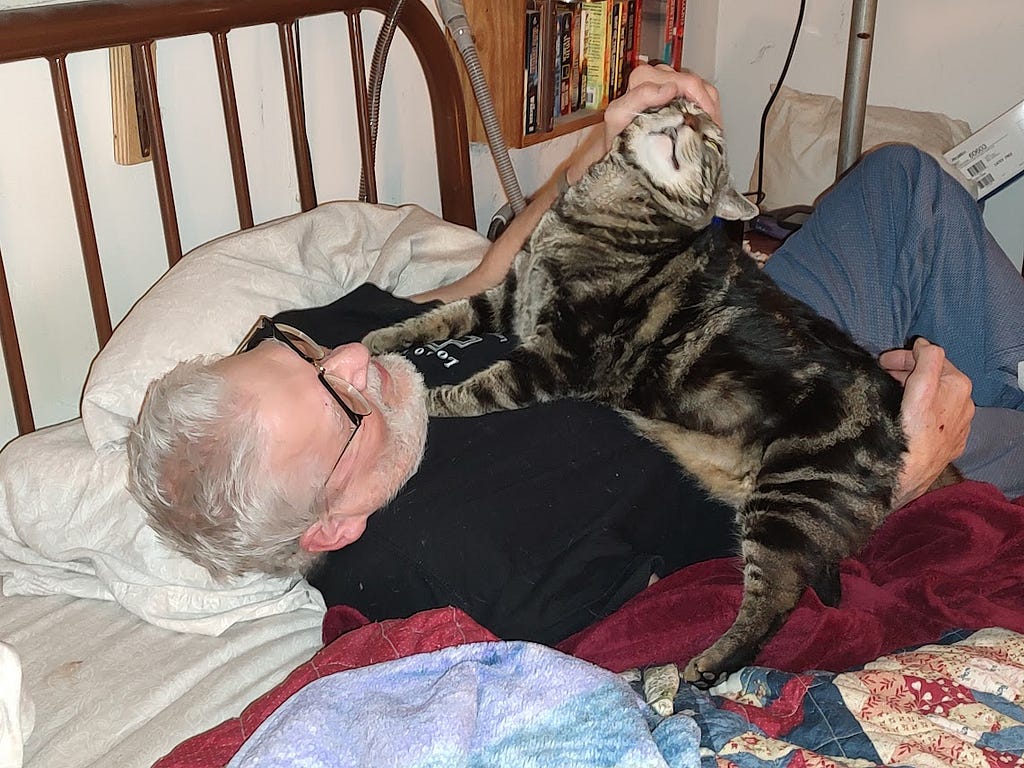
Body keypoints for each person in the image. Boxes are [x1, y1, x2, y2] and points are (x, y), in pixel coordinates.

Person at [127, 65, 1022, 646]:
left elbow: (486, 276)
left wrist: (611, 144)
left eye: (299, 352)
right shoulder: (469, 579)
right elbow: (729, 611)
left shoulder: (336, 349)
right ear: (331, 528)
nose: (354, 361)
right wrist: (901, 471)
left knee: (904, 184)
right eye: (341, 403)